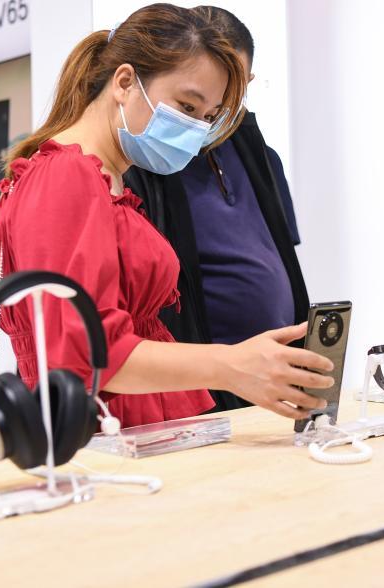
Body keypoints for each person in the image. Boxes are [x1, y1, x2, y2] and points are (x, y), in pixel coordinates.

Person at [0, 3, 333, 428]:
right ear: (125, 82)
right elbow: (86, 353)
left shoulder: (107, 180)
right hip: (106, 433)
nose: (197, 131)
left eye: (207, 117)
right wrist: (231, 365)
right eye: (186, 107)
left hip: (143, 426)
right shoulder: (65, 176)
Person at [124, 6, 307, 412]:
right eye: (193, 103)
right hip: (200, 386)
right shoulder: (152, 156)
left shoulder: (261, 158)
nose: (213, 111)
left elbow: (280, 261)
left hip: (271, 379)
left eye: (225, 95)